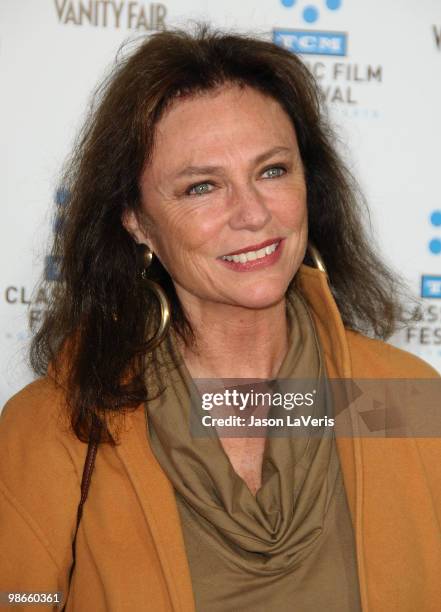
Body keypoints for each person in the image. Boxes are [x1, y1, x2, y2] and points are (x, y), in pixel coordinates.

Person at [1, 24, 440, 612]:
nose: (253, 214)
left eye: (272, 170)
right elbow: (20, 598)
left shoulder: (403, 401)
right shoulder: (57, 426)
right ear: (136, 220)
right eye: (202, 186)